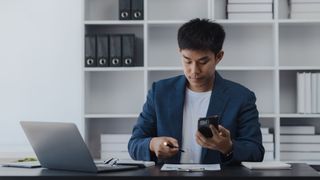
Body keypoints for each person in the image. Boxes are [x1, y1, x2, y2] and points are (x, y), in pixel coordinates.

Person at [128, 18, 264, 165]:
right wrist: (152, 144)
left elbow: (256, 151)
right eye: (187, 61)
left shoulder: (241, 97)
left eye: (203, 62)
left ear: (218, 57)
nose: (194, 70)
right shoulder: (159, 92)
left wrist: (228, 147)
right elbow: (135, 144)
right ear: (180, 53)